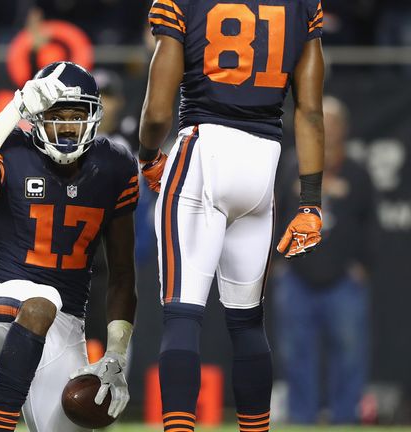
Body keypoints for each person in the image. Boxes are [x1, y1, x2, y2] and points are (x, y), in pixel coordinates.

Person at [140, 0, 325, 430]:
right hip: (264, 165)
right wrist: (311, 202)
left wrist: (148, 156)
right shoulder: (302, 5)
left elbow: (156, 111)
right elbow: (311, 109)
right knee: (247, 322)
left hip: (203, 151)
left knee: (183, 315)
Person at [0, 61, 138, 432]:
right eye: (55, 115)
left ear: (94, 117)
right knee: (41, 302)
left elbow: (123, 273)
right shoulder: (13, 150)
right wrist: (13, 110)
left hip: (65, 323)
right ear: (35, 116)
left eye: (76, 116)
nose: (65, 126)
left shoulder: (115, 166)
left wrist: (116, 355)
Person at [274, 96, 373, 424]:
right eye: (321, 122)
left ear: (344, 129)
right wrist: (277, 260)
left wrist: (364, 264)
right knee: (296, 353)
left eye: (333, 124)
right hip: (297, 276)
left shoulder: (357, 172)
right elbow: (275, 213)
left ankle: (346, 419)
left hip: (343, 279)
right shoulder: (292, 163)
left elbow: (371, 222)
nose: (327, 130)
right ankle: (302, 419)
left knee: (349, 354)